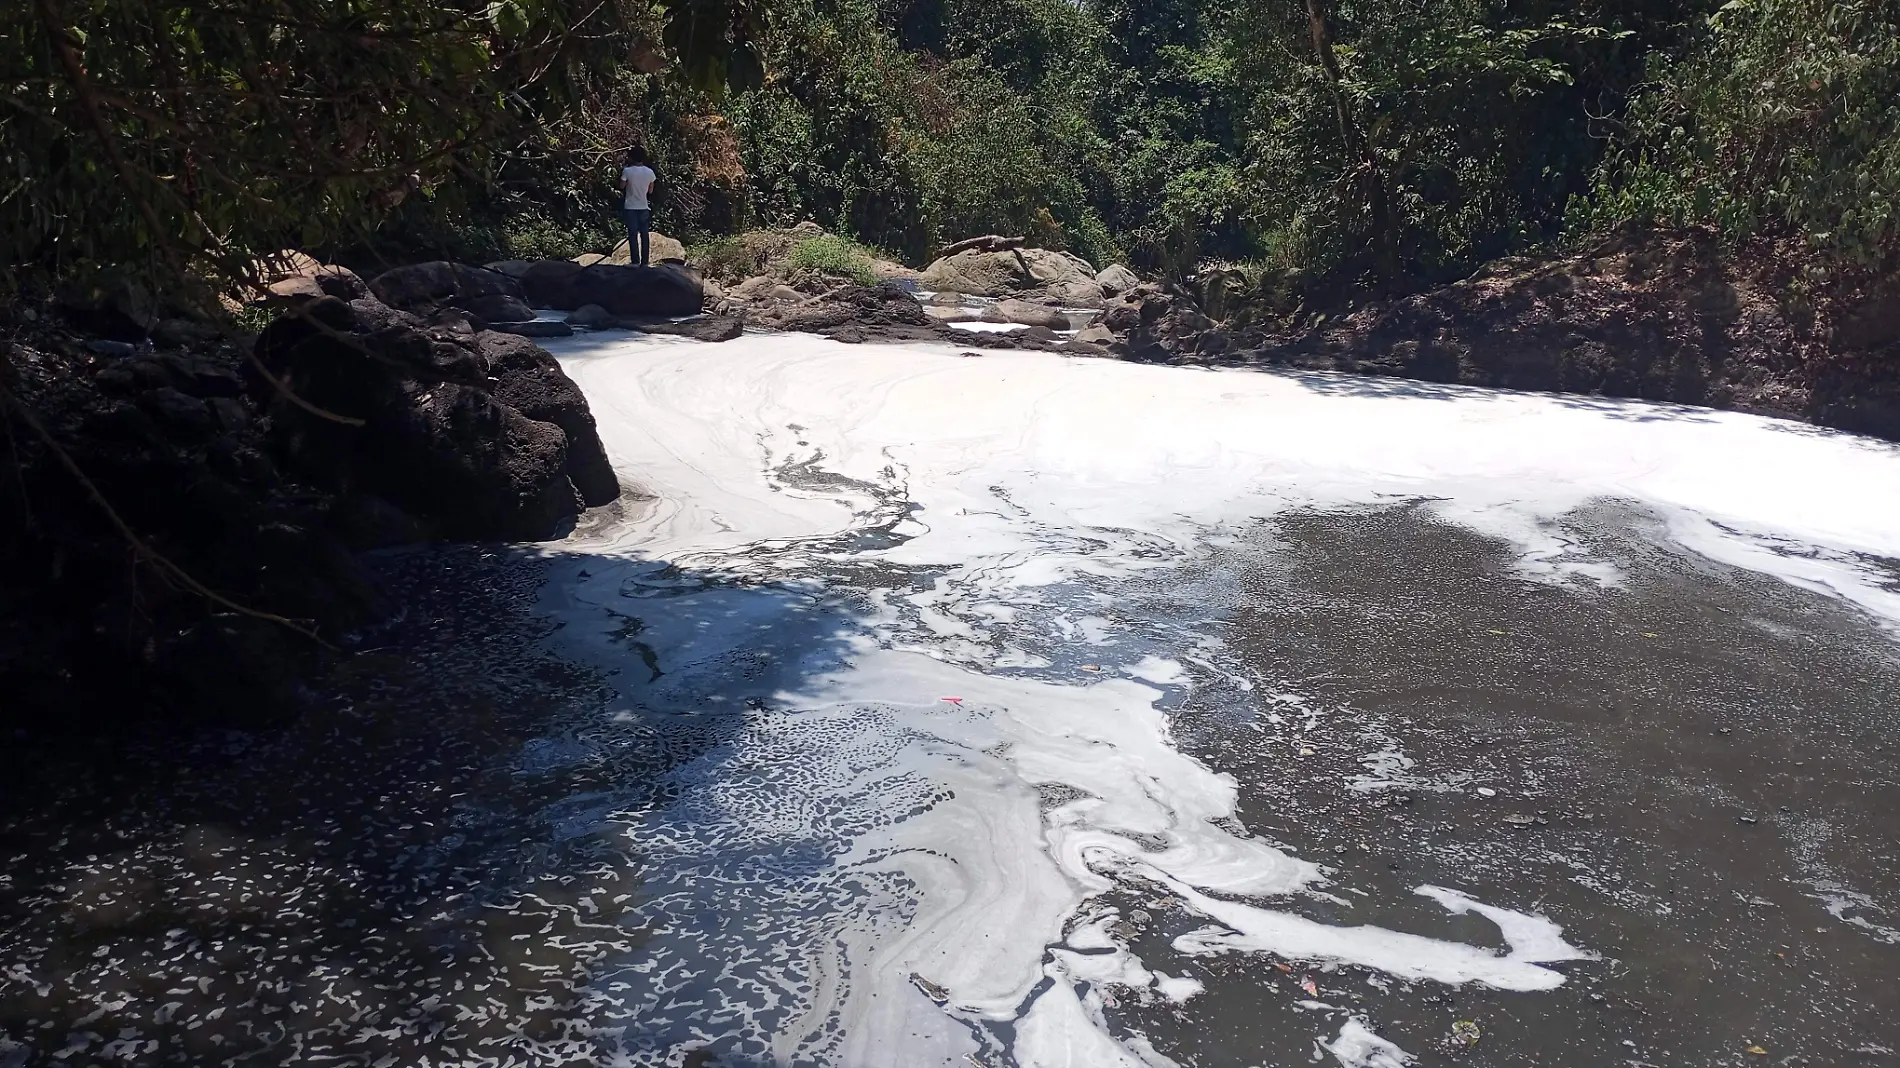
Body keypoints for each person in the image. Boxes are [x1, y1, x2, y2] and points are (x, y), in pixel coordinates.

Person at [619, 148, 658, 266]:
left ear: (632, 158)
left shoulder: (627, 171)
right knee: (644, 235)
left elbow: (621, 186)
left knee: (632, 234)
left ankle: (635, 261)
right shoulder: (650, 172)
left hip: (630, 206)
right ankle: (645, 262)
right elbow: (650, 191)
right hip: (644, 206)